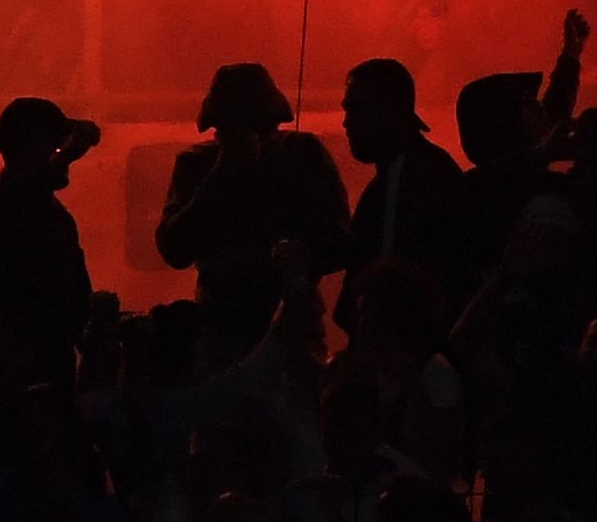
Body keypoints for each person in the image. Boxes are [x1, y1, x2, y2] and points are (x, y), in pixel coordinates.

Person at [157, 62, 351, 346]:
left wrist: (293, 262)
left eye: (259, 128)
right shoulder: (197, 165)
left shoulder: (302, 156)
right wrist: (223, 173)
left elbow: (339, 241)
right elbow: (174, 248)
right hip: (222, 326)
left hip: (291, 322)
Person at [0, 96, 99, 392]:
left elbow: (75, 299)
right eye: (55, 147)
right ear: (32, 149)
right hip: (10, 380)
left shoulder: (49, 215)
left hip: (45, 375)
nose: (63, 157)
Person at [338, 57, 470, 308]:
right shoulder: (409, 173)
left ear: (388, 112)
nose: (346, 122)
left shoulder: (417, 182)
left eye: (356, 110)